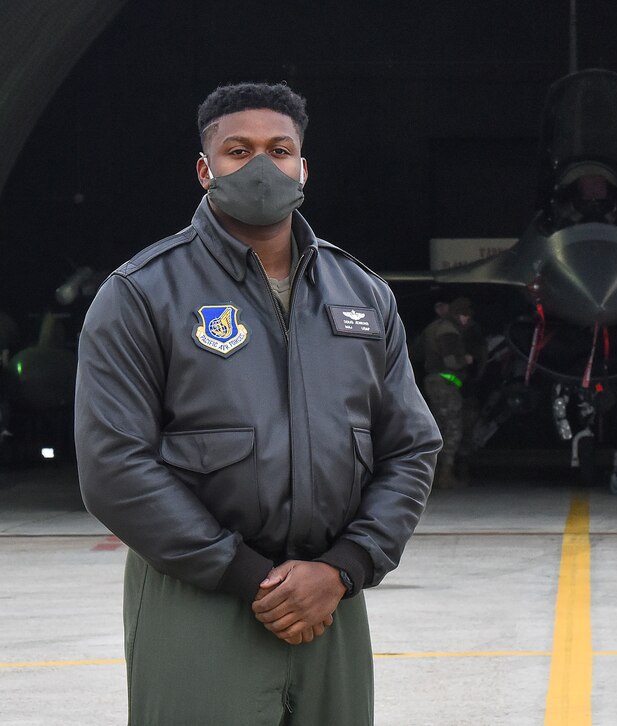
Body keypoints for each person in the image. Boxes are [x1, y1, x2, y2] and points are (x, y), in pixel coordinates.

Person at [74, 82, 441, 725]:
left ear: (304, 167)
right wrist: (247, 575)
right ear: (204, 169)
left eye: (280, 149)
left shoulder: (364, 295)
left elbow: (410, 446)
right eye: (238, 151)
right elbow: (113, 466)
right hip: (201, 596)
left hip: (332, 599)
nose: (263, 166)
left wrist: (344, 567)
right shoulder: (141, 293)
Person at [420, 296, 476, 488]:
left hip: (433, 382)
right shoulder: (449, 332)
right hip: (445, 383)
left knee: (438, 427)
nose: (467, 321)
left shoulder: (433, 327)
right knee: (452, 427)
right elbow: (452, 361)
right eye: (466, 316)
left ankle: (432, 474)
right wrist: (466, 359)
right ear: (460, 315)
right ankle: (445, 473)